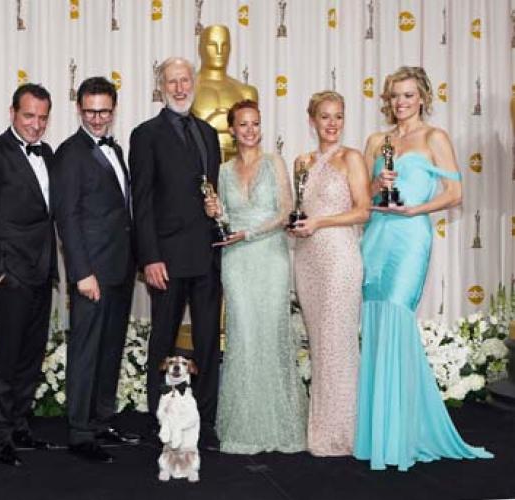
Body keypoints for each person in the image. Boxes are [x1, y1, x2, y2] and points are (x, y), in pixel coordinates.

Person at [354, 66, 492, 471]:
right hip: (376, 237)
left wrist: (417, 209)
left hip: (410, 236)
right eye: (395, 95)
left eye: (409, 95)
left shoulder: (435, 138)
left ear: (423, 98)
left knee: (397, 315)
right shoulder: (376, 141)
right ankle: (379, 432)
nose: (401, 102)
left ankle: (402, 433)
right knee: (376, 320)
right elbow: (362, 196)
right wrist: (376, 186)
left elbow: (455, 193)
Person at [204, 99, 307, 454]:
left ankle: (279, 424)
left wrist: (249, 233)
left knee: (271, 334)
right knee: (244, 336)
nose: (250, 130)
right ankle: (244, 425)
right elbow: (224, 218)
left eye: (255, 123)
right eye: (243, 124)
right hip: (236, 260)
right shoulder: (222, 171)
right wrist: (215, 211)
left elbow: (286, 210)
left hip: (270, 256)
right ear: (232, 130)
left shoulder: (274, 162)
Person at [130, 57, 222, 450]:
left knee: (208, 342)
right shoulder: (145, 134)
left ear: (194, 82)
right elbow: (141, 202)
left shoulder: (208, 133)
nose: (180, 88)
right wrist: (150, 257)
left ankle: (206, 423)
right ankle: (161, 420)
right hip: (165, 259)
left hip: (206, 256)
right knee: (163, 343)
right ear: (161, 87)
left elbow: (210, 191)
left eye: (185, 80)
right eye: (172, 82)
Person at [0, 83, 57, 467]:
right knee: (7, 356)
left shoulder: (48, 153)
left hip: (42, 270)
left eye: (42, 117)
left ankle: (20, 423)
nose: (36, 124)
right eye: (29, 116)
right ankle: (0, 433)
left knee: (31, 355)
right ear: (12, 113)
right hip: (10, 273)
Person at [51, 76, 139, 464]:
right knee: (87, 351)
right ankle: (80, 432)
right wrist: (81, 272)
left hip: (120, 267)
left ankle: (101, 421)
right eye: (90, 111)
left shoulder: (115, 149)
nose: (97, 118)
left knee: (110, 348)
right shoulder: (70, 153)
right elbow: (67, 217)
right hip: (92, 272)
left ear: (113, 109)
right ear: (79, 109)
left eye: (104, 111)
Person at [288, 91, 369, 456]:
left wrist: (320, 222)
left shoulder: (351, 158)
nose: (332, 123)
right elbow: (300, 210)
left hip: (339, 257)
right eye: (325, 116)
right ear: (312, 120)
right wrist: (297, 225)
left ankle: (344, 433)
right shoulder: (301, 162)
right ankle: (321, 429)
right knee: (320, 344)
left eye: (338, 116)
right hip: (308, 259)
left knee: (339, 343)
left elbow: (363, 211)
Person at [191, 24, 259, 160]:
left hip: (238, 165)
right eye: (212, 45)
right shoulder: (187, 90)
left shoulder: (246, 92)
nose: (219, 51)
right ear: (200, 48)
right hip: (198, 164)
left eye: (225, 45)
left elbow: (251, 138)